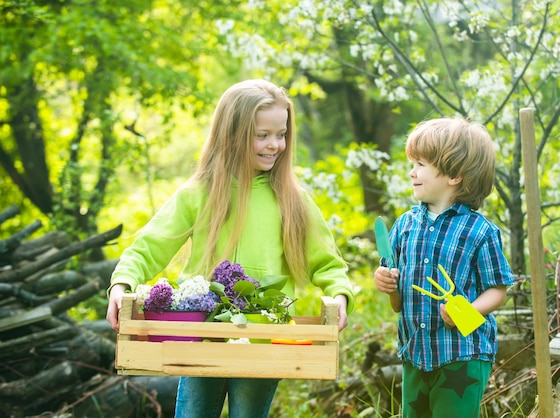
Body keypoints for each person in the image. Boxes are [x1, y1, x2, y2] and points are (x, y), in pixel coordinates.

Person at [106, 79, 355, 418]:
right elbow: (148, 249)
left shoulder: (293, 201)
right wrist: (121, 286)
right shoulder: (198, 195)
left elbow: (327, 263)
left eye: (281, 134)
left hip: (261, 340)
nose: (275, 145)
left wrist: (339, 295)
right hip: (200, 336)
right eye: (262, 135)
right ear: (232, 134)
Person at [374, 117, 514, 418]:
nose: (412, 172)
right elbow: (398, 303)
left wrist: (468, 310)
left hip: (461, 355)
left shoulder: (479, 231)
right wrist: (387, 284)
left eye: (420, 164)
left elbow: (498, 290)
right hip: (416, 353)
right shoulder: (404, 226)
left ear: (453, 175)